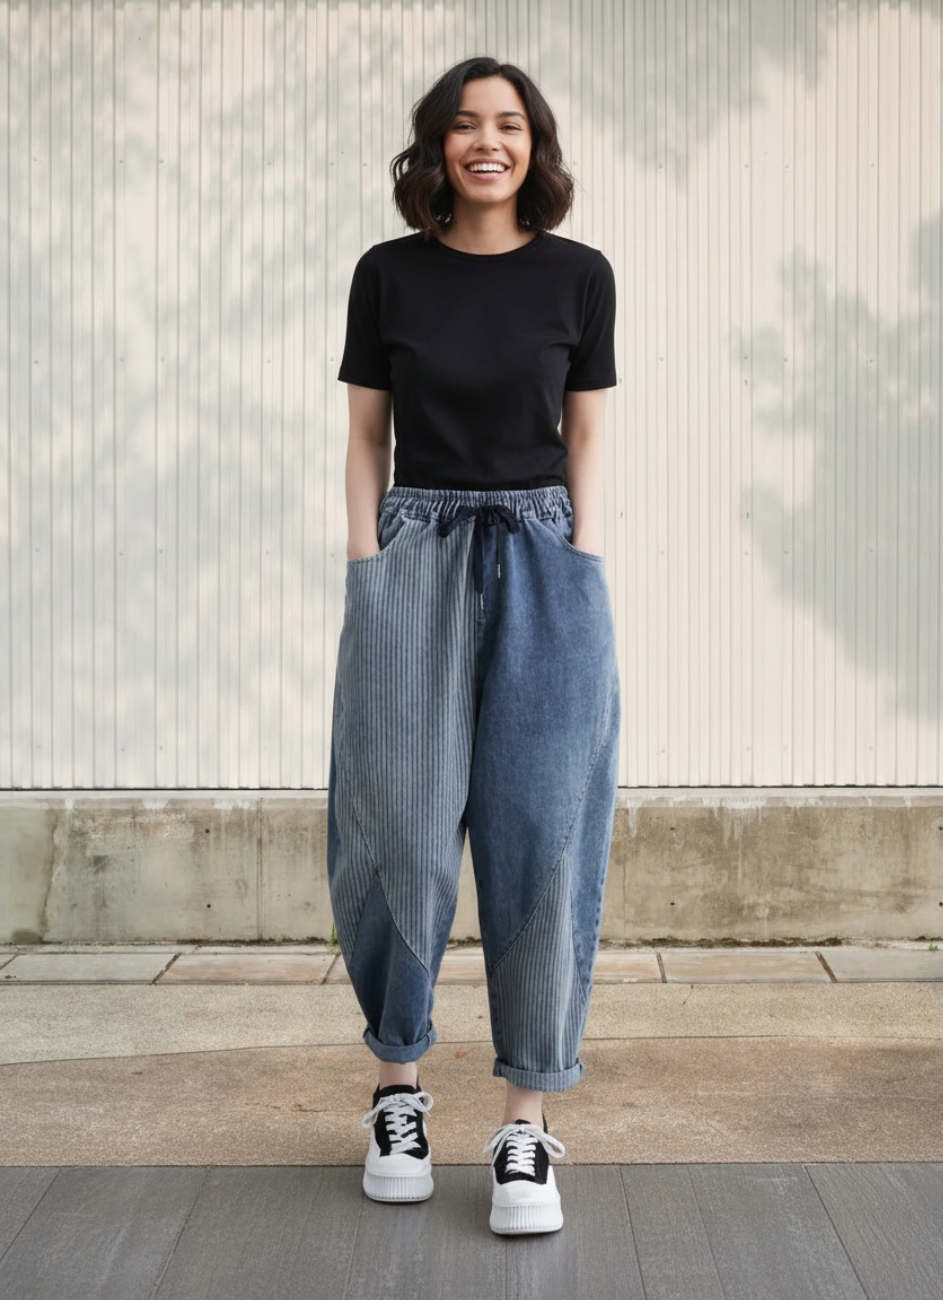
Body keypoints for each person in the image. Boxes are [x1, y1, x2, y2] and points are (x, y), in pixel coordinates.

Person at [328, 55, 620, 1235]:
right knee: (398, 825)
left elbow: (588, 437)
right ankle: (397, 1090)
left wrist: (581, 558)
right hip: (417, 547)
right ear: (435, 147)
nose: (485, 142)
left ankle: (526, 1123)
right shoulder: (387, 274)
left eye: (507, 124)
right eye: (464, 124)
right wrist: (369, 566)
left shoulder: (580, 276)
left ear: (534, 144)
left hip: (547, 557)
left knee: (542, 833)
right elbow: (363, 434)